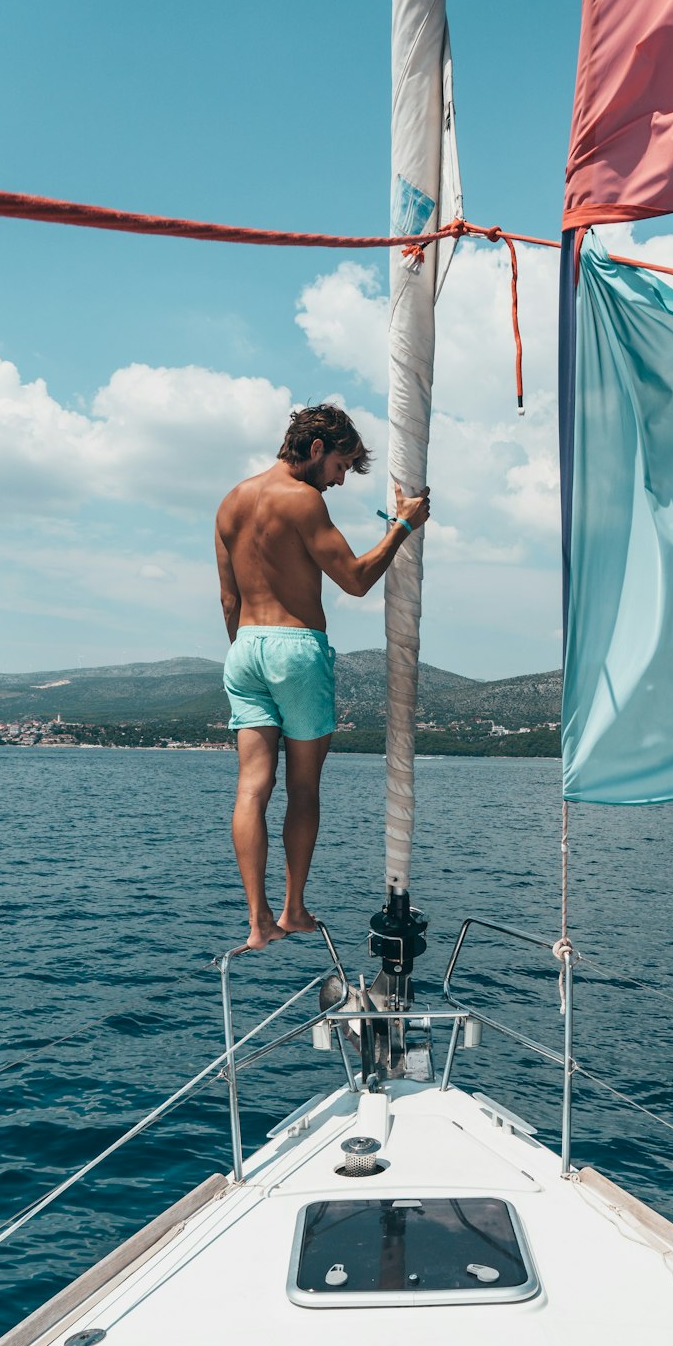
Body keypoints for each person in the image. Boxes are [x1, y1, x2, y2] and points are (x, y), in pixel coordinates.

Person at [215, 404, 430, 950]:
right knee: (303, 786)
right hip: (294, 647)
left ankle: (256, 920)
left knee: (250, 788)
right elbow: (356, 579)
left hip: (244, 649)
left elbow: (228, 598)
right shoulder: (302, 500)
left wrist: (250, 649)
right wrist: (404, 524)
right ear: (316, 449)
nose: (337, 479)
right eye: (340, 464)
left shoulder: (231, 502)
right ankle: (292, 908)